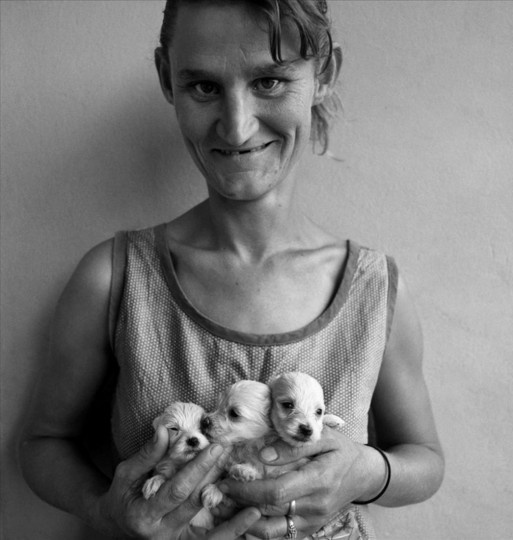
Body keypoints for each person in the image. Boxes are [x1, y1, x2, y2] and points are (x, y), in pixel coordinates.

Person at [19, 1, 445, 539]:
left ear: (325, 75)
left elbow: (425, 459)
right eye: (203, 86)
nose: (238, 127)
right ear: (166, 78)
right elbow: (42, 444)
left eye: (269, 80)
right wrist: (105, 510)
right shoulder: (114, 279)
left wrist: (368, 470)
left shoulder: (375, 290)